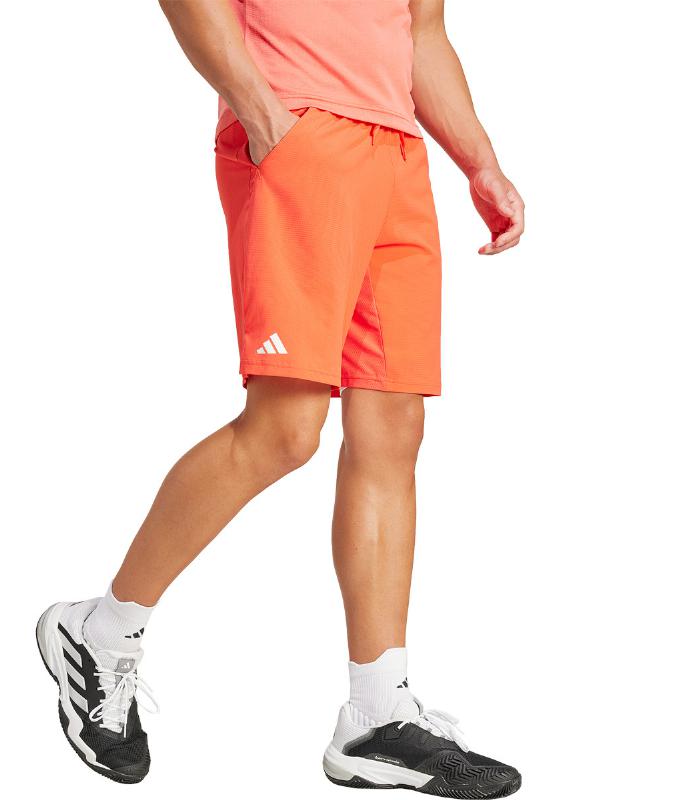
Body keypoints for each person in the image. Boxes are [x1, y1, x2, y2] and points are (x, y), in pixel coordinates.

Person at [36, 1, 525, 794]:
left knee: (393, 426)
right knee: (286, 427)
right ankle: (101, 629)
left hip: (396, 150)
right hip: (301, 127)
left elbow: (422, 31)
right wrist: (263, 113)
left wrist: (481, 161)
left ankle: (377, 714)